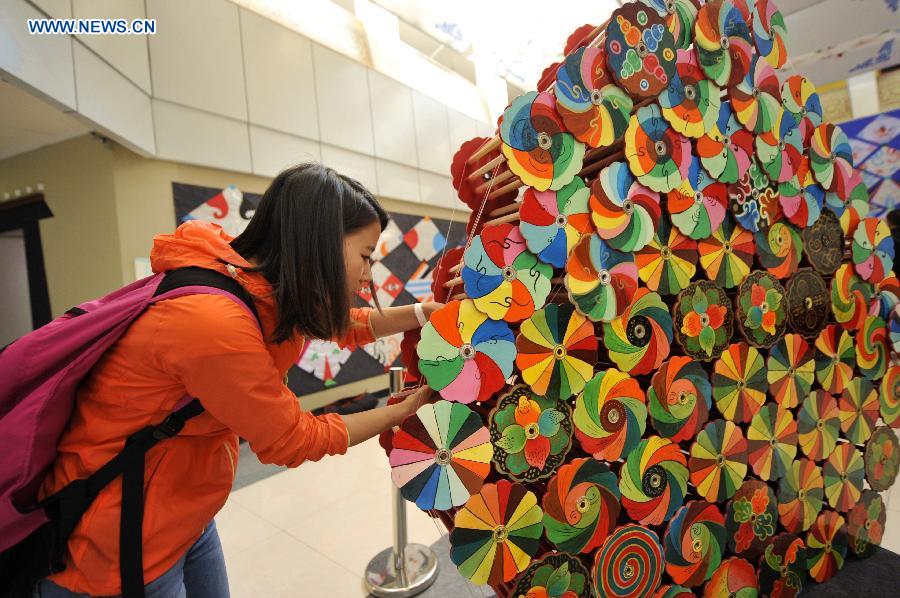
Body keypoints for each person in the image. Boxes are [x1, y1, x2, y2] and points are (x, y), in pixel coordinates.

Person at [34, 163, 440, 597]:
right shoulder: (213, 321)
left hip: (183, 512)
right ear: (319, 243)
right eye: (364, 256)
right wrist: (405, 410)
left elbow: (342, 324)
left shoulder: (250, 281)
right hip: (121, 543)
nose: (367, 274)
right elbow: (293, 438)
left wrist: (421, 313)